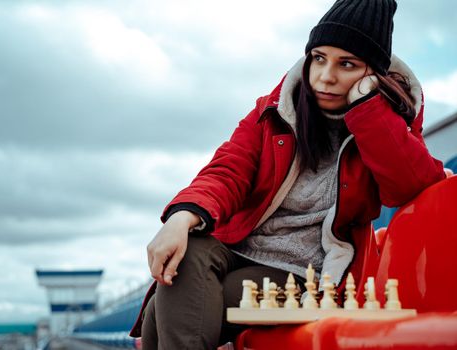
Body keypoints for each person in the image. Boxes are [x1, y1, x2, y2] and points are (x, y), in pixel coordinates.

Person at [130, 0, 446, 348]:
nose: (326, 76)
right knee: (186, 255)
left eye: (347, 64)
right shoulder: (273, 109)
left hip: (306, 272)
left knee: (173, 302)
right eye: (319, 58)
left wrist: (368, 109)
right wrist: (181, 217)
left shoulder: (390, 121)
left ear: (371, 74)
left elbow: (408, 186)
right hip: (238, 247)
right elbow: (228, 168)